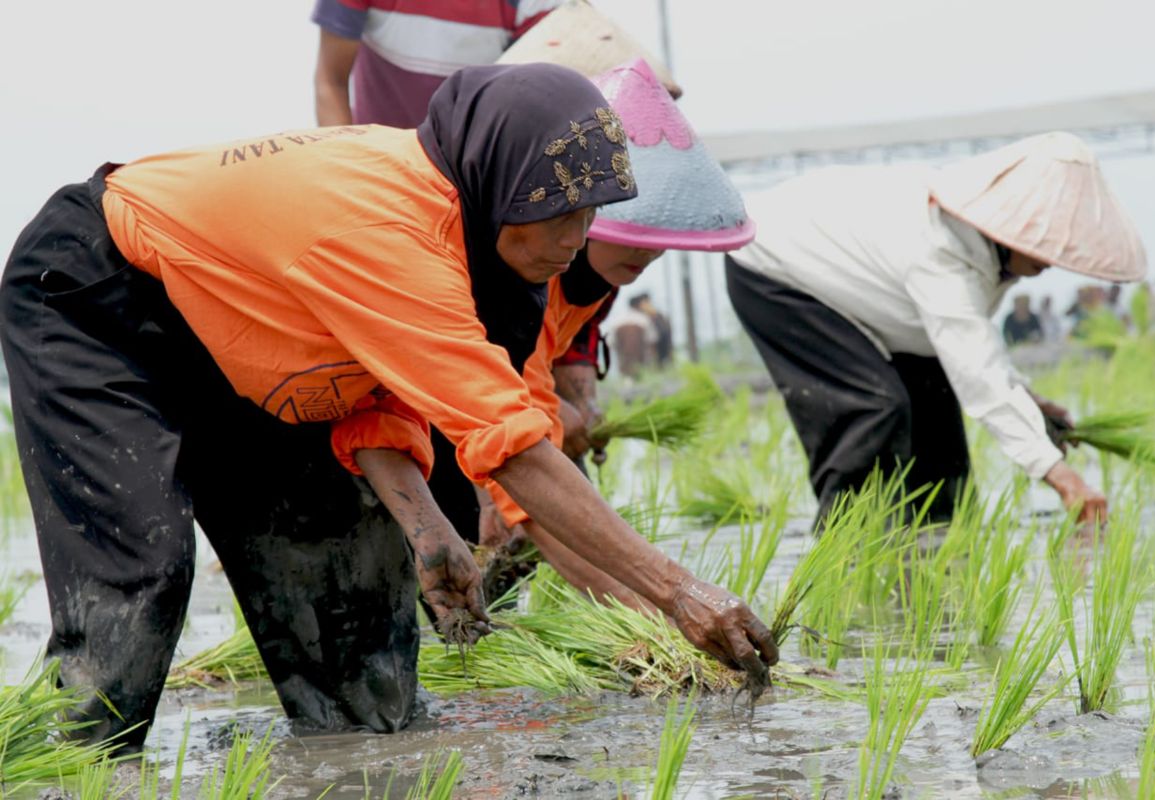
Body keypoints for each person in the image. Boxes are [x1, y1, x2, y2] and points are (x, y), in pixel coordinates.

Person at [0, 63, 775, 753]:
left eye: (591, 215)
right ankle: (74, 765)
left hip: (254, 345)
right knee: (143, 572)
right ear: (499, 181)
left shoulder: (476, 239)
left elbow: (374, 390)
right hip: (101, 296)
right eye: (560, 214)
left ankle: (356, 755)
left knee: (350, 583)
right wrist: (679, 594)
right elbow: (509, 446)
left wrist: (428, 528)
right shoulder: (388, 225)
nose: (576, 240)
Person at [430, 58, 755, 607]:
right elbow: (519, 451)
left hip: (483, 428)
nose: (649, 252)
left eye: (659, 235)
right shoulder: (526, 283)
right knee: (466, 563)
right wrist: (661, 614)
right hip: (426, 434)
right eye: (631, 230)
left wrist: (577, 407)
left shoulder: (597, 280)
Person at [725, 132, 1145, 527]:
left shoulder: (988, 254)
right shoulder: (940, 249)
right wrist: (1062, 478)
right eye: (1045, 242)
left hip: (863, 290)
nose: (1051, 260)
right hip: (771, 266)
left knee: (938, 427)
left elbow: (974, 352)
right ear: (1012, 224)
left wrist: (1029, 401)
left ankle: (942, 556)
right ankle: (845, 551)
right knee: (874, 408)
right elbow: (980, 379)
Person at [312, 0, 564, 127]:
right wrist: (347, 169)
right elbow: (330, 81)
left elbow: (531, 110)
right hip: (379, 166)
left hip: (474, 181)